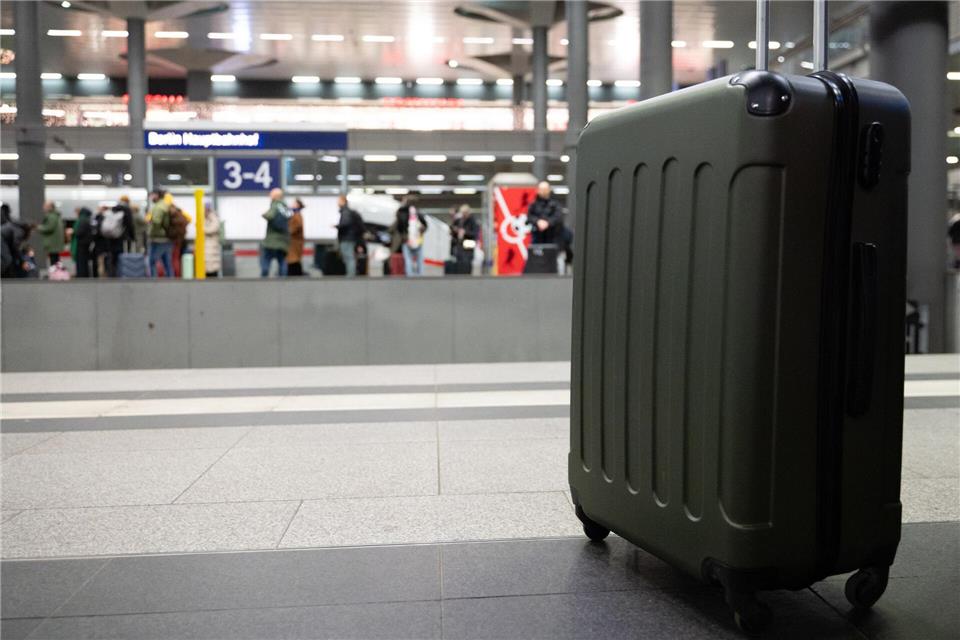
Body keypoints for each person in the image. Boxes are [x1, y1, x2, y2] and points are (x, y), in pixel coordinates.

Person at [396, 195, 427, 276]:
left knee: (408, 259)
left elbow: (399, 227)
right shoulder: (418, 213)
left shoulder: (401, 212)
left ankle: (410, 276)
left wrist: (403, 235)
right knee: (419, 259)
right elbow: (425, 225)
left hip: (406, 239)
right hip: (417, 239)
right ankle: (420, 275)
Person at [261, 187, 289, 277]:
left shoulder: (275, 205)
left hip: (271, 241)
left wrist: (264, 214)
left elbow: (269, 216)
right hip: (283, 240)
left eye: (271, 194)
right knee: (282, 261)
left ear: (274, 196)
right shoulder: (285, 207)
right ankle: (283, 279)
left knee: (266, 260)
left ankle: (263, 280)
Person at [335, 194, 364, 277]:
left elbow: (345, 223)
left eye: (339, 201)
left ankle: (351, 275)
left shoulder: (345, 212)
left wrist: (337, 226)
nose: (337, 203)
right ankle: (350, 273)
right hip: (349, 237)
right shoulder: (347, 211)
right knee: (349, 256)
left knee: (349, 256)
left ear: (343, 201)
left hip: (347, 238)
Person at [146, 189, 174, 278]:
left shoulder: (158, 207)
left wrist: (150, 232)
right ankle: (171, 281)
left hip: (158, 239)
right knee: (167, 263)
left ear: (157, 195)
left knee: (152, 261)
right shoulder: (166, 205)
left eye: (152, 195)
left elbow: (156, 222)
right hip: (167, 238)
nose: (151, 197)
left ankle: (154, 281)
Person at [527, 181, 564, 245]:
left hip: (552, 235)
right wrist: (537, 221)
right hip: (536, 235)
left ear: (549, 190)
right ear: (537, 190)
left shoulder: (555, 203)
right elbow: (529, 216)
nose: (543, 191)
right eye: (541, 189)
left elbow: (558, 216)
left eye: (545, 189)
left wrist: (548, 222)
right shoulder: (533, 204)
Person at [449, 203, 479, 274]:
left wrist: (465, 232)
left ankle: (467, 275)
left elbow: (475, 234)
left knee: (467, 263)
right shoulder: (459, 221)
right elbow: (452, 227)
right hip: (459, 245)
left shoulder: (473, 221)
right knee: (459, 262)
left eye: (465, 213)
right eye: (462, 213)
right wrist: (455, 231)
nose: (463, 215)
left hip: (468, 245)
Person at [37, 200, 64, 267]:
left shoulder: (51, 216)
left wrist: (39, 227)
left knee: (54, 261)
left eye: (45, 206)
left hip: (53, 243)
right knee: (55, 260)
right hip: (55, 242)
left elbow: (49, 227)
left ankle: (55, 272)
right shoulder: (55, 215)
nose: (43, 207)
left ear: (50, 207)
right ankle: (57, 272)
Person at [70, 207, 94, 278]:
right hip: (86, 243)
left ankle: (81, 275)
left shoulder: (82, 220)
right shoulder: (87, 219)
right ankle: (84, 274)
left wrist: (73, 232)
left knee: (81, 261)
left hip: (81, 243)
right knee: (84, 261)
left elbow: (79, 232)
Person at [286, 198, 305, 276]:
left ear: (298, 205)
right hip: (294, 241)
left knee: (293, 259)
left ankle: (295, 274)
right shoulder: (295, 214)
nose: (292, 205)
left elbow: (297, 226)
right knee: (294, 259)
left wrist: (288, 231)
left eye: (294, 203)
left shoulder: (297, 215)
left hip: (295, 242)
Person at [203, 203, 222, 278]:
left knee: (212, 269)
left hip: (212, 247)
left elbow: (212, 229)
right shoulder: (206, 218)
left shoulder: (214, 218)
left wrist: (201, 228)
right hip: (207, 247)